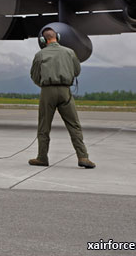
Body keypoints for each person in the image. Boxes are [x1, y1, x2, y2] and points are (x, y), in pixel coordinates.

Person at [29, 27, 96, 168]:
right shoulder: (70, 52)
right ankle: (83, 157)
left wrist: (44, 85)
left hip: (47, 91)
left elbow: (34, 75)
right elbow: (77, 71)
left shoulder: (40, 54)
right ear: (57, 37)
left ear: (43, 40)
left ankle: (42, 157)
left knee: (44, 127)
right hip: (65, 91)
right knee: (74, 125)